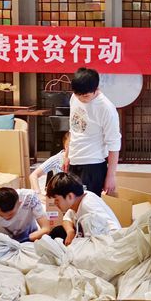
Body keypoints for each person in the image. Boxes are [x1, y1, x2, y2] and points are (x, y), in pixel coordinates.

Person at [65, 68, 121, 196]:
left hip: (93, 164)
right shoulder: (75, 97)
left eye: (85, 96)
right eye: (78, 95)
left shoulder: (106, 108)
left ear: (96, 88)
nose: (81, 99)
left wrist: (111, 176)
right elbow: (73, 129)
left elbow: (114, 144)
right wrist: (67, 155)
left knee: (88, 203)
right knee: (72, 203)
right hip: (74, 160)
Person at [46, 172, 121, 246]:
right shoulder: (77, 198)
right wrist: (70, 231)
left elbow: (110, 235)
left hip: (107, 245)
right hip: (89, 240)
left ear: (70, 196)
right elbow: (66, 219)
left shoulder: (88, 208)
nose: (55, 203)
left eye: (57, 200)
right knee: (57, 231)